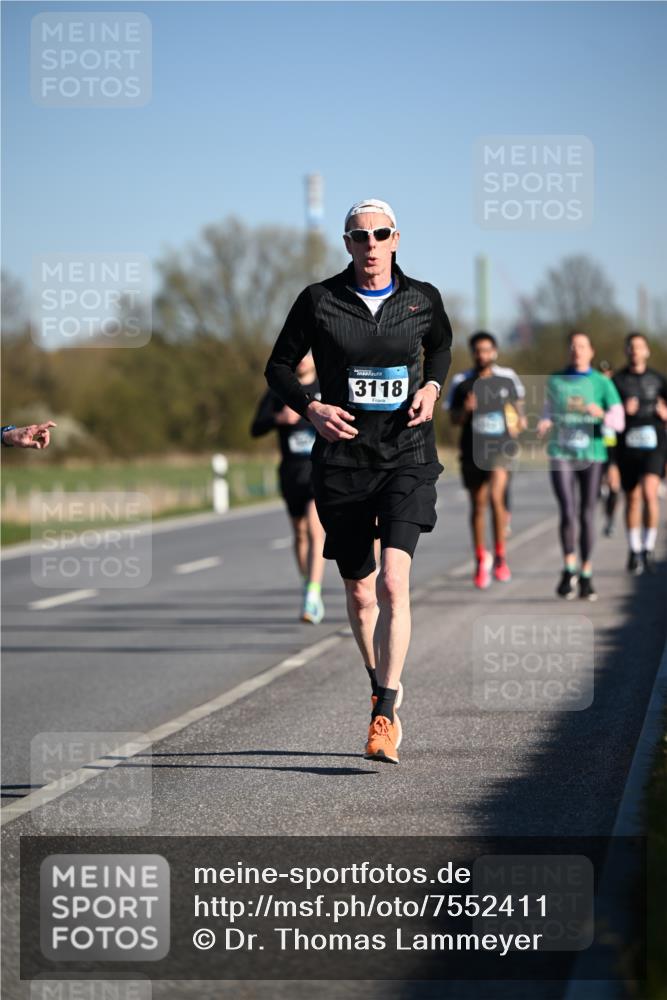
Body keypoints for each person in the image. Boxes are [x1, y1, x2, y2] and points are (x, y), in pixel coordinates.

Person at [265, 198, 452, 764]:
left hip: (407, 455)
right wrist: (310, 407)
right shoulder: (319, 300)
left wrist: (433, 388)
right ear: (346, 243)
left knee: (395, 582)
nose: (370, 244)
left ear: (396, 239)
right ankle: (381, 685)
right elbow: (277, 366)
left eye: (381, 234)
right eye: (359, 235)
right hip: (343, 462)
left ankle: (383, 713)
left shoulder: (422, 299)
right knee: (360, 590)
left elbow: (439, 346)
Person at [538, 332, 624, 601]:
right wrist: (545, 421)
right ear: (569, 351)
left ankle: (586, 573)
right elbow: (548, 409)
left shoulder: (601, 383)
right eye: (573, 346)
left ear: (591, 351)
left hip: (592, 452)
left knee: (587, 513)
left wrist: (603, 415)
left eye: (582, 346)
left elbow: (619, 420)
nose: (577, 350)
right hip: (562, 451)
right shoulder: (556, 380)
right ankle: (568, 568)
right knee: (567, 509)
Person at [250, 352, 326, 623]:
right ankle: (307, 583)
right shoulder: (279, 391)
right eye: (299, 354)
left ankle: (313, 596)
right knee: (300, 532)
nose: (303, 359)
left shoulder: (327, 386)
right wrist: (278, 419)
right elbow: (255, 428)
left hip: (319, 471)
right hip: (290, 472)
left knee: (315, 527)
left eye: (308, 354)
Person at [446, 335, 525, 584]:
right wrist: (466, 410)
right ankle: (482, 558)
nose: (482, 355)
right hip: (471, 450)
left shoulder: (507, 379)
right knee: (478, 505)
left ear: (495, 352)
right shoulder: (462, 382)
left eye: (487, 350)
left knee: (495, 497)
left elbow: (520, 416)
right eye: (478, 351)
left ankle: (500, 555)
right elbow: (453, 420)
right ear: (473, 353)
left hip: (501, 448)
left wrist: (518, 424)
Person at [612, 333, 667, 574]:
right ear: (626, 351)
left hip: (654, 443)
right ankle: (634, 549)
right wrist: (623, 411)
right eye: (631, 347)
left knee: (649, 493)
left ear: (647, 351)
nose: (635, 351)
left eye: (640, 347)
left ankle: (649, 546)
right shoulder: (618, 381)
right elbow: (608, 415)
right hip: (627, 445)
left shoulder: (658, 379)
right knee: (632, 498)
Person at [598, 361, 622, 537]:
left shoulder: (615, 395)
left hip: (613, 445)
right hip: (596, 444)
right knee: (599, 485)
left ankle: (610, 518)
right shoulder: (593, 394)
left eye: (607, 373)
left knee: (614, 485)